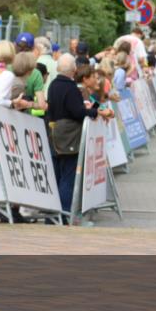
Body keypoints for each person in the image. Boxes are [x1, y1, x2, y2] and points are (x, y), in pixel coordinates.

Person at [47, 55, 109, 222]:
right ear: (74, 70)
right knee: (68, 178)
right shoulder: (71, 88)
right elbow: (78, 112)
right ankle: (66, 215)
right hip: (69, 137)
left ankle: (52, 217)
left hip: (54, 134)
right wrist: (93, 112)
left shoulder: (53, 85)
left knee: (57, 176)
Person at [11, 51, 46, 116]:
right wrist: (29, 104)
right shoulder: (20, 85)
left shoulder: (9, 73)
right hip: (20, 116)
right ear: (30, 70)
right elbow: (42, 105)